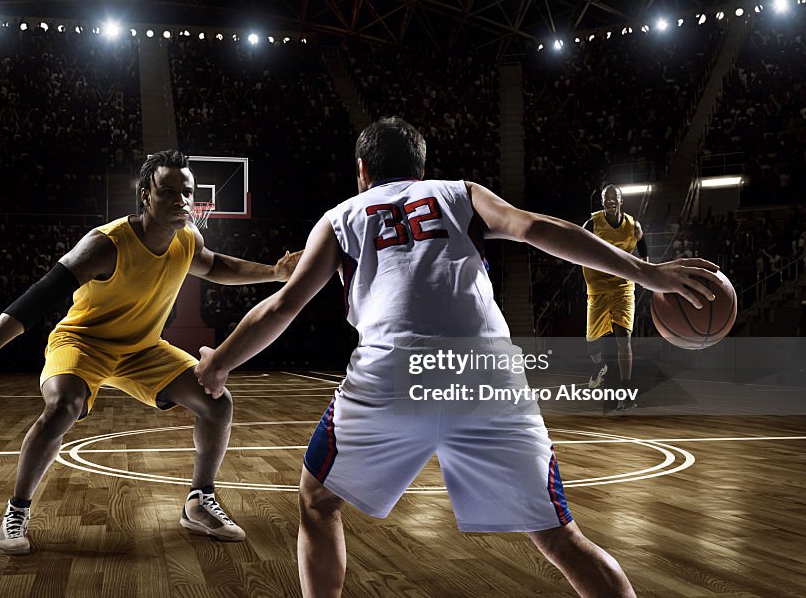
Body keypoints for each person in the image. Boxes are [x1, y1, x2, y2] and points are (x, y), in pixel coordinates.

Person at [195, 118, 717, 597]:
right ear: (422, 168)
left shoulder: (341, 217)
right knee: (560, 538)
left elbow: (284, 306)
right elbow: (533, 227)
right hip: (487, 374)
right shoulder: (458, 192)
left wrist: (218, 364)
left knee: (317, 502)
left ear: (362, 171)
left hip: (392, 374)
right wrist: (647, 274)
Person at [0, 149, 300, 555]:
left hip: (142, 349)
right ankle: (17, 511)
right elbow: (42, 294)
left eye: (187, 192)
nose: (181, 201)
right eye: (168, 192)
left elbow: (213, 264)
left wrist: (274, 272)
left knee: (217, 402)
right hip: (82, 343)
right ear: (146, 195)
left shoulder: (187, 239)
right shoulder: (105, 244)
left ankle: (198, 502)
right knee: (63, 407)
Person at [582, 185, 647, 412]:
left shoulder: (633, 226)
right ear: (602, 202)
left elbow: (644, 252)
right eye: (606, 198)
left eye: (614, 197)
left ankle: (625, 393)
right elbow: (578, 246)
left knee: (623, 339)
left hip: (622, 287)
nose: (610, 201)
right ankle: (598, 366)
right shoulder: (591, 224)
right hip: (598, 287)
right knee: (592, 341)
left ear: (621, 201)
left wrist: (644, 274)